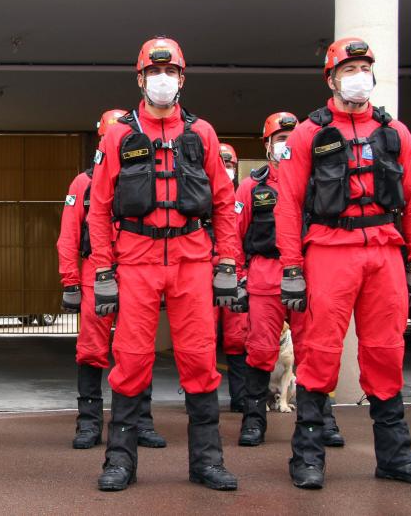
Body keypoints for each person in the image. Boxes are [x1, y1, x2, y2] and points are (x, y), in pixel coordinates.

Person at [276, 38, 411, 489]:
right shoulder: (309, 134)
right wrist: (291, 267)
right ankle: (307, 458)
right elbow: (288, 205)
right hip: (329, 251)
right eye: (349, 68)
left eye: (364, 67)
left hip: (385, 252)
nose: (358, 75)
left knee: (386, 353)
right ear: (331, 79)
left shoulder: (395, 133)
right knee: (319, 354)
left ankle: (395, 457)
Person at [87, 37, 239, 492]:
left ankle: (207, 462)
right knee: (131, 360)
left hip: (193, 258)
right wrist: (103, 270)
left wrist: (227, 260)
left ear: (181, 80)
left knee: (199, 359)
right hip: (135, 260)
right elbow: (98, 209)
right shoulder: (118, 135)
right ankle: (120, 461)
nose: (162, 80)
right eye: (155, 73)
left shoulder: (202, 133)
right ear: (140, 79)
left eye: (170, 72)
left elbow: (225, 202)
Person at [57, 108, 167, 450]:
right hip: (95, 276)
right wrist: (70, 282)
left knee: (139, 350)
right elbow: (68, 236)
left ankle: (141, 422)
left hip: (137, 271)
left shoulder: (149, 177)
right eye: (106, 138)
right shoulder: (83, 183)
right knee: (91, 351)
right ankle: (88, 424)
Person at [234, 112, 345, 448]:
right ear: (267, 145)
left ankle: (322, 419)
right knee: (260, 351)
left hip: (308, 277)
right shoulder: (251, 187)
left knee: (313, 351)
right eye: (278, 138)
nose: (284, 145)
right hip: (265, 278)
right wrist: (238, 279)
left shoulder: (317, 182)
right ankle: (254, 421)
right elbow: (234, 237)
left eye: (290, 138)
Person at [216, 143, 248, 412]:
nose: (226, 169)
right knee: (200, 338)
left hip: (238, 275)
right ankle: (200, 400)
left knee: (238, 339)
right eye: (221, 163)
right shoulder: (200, 196)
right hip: (204, 274)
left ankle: (241, 399)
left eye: (230, 164)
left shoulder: (245, 195)